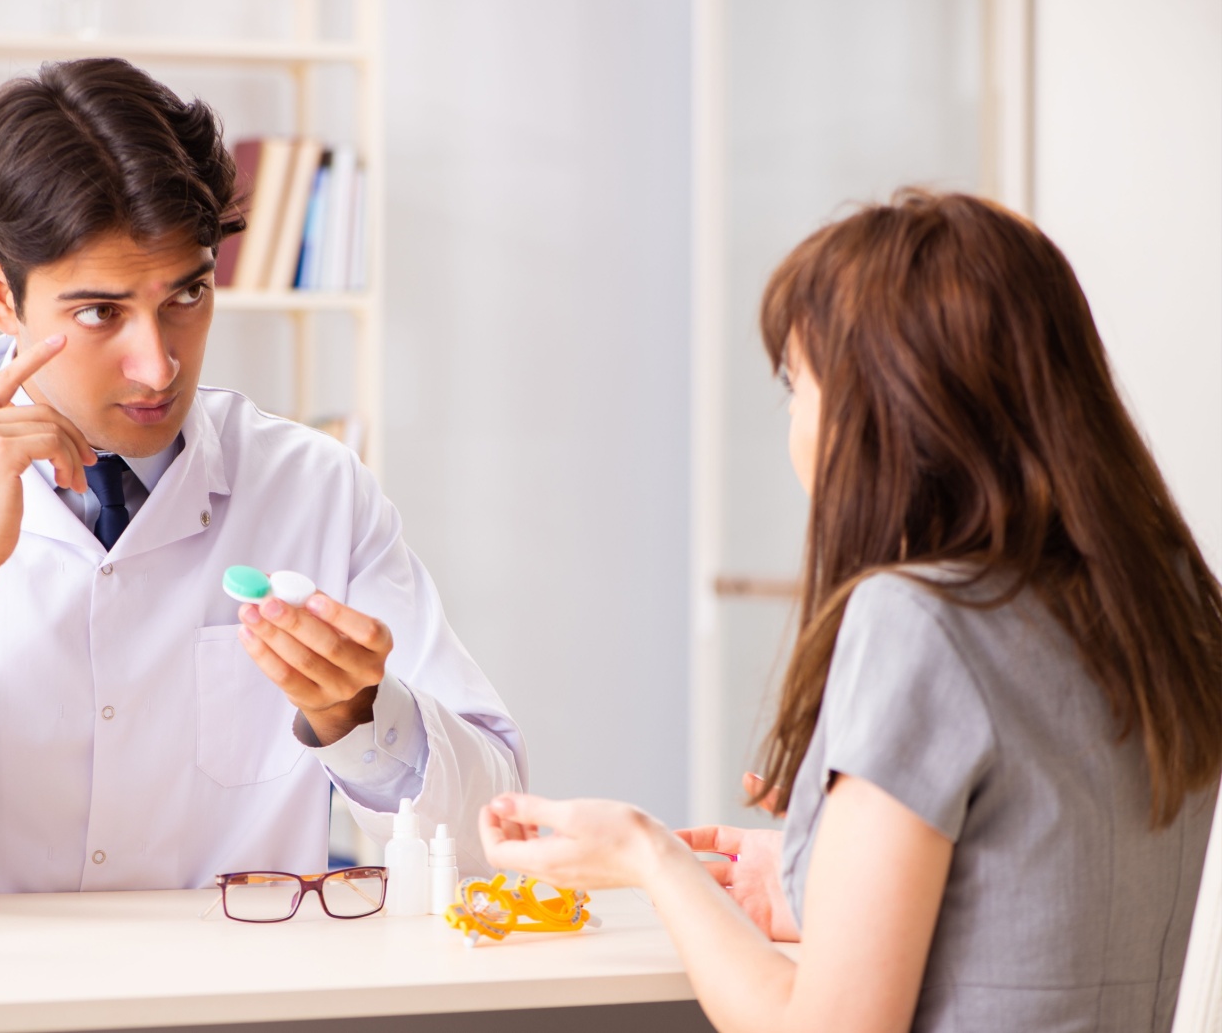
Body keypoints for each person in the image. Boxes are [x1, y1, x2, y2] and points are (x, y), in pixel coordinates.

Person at [0, 58, 525, 897]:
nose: (157, 365)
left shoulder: (317, 489)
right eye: (99, 312)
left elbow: (494, 842)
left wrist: (358, 718)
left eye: (186, 296)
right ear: (0, 296)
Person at [480, 191, 1222, 1032]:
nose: (796, 421)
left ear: (887, 408)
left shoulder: (918, 621)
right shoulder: (1173, 601)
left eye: (798, 383)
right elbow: (1048, 905)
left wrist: (648, 856)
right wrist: (815, 877)